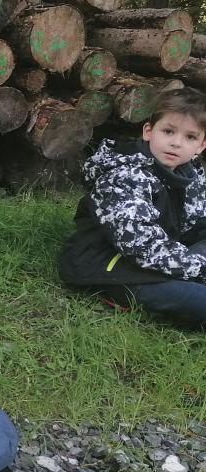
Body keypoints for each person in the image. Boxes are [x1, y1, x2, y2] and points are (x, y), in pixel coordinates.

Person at [59, 88, 206, 327]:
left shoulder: (189, 173)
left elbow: (197, 222)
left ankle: (187, 276)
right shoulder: (124, 177)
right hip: (112, 266)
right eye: (168, 131)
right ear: (149, 131)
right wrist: (199, 268)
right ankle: (129, 295)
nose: (176, 143)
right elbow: (143, 247)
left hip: (166, 255)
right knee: (199, 300)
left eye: (190, 137)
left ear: (201, 145)